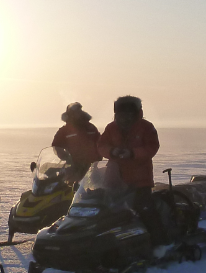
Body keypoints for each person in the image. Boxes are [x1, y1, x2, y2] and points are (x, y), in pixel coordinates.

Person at [97, 96, 166, 243]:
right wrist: (112, 151)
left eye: (128, 113)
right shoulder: (111, 128)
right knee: (105, 210)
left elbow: (152, 147)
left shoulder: (146, 127)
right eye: (121, 113)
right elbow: (101, 146)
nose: (125, 116)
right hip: (114, 178)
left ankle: (160, 243)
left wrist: (133, 153)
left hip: (140, 179)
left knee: (145, 209)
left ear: (135, 112)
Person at [50, 102, 102, 182]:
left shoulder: (91, 128)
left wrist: (98, 157)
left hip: (91, 164)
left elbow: (100, 143)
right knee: (68, 180)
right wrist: (65, 156)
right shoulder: (64, 130)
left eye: (79, 111)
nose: (77, 114)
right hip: (74, 165)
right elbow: (56, 146)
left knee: (97, 183)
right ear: (69, 114)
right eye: (75, 112)